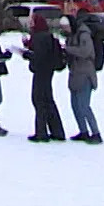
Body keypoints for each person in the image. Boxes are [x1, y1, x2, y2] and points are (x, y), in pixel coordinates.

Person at [20, 12, 66, 142]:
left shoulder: (39, 37)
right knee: (48, 100)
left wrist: (26, 55)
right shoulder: (47, 35)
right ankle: (57, 131)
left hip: (40, 72)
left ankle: (41, 132)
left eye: (31, 22)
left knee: (38, 100)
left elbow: (38, 56)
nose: (29, 25)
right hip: (48, 71)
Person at [64, 11, 104, 144]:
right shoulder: (71, 35)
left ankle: (96, 133)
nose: (65, 31)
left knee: (84, 105)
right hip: (75, 73)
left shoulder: (84, 34)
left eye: (66, 28)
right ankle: (83, 131)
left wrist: (68, 49)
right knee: (75, 105)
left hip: (85, 74)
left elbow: (86, 51)